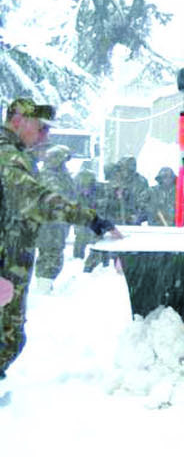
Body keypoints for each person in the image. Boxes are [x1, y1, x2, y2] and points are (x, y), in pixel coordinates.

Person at [0, 98, 120, 379]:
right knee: (8, 338)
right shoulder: (8, 157)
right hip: (5, 263)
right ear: (18, 121)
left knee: (9, 338)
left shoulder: (13, 155)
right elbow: (39, 200)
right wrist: (92, 220)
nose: (45, 136)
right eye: (41, 128)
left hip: (9, 259)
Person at [31, 145, 76, 290]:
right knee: (51, 254)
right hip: (50, 224)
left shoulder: (59, 175)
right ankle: (44, 288)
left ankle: (45, 284)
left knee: (51, 253)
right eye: (63, 160)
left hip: (57, 223)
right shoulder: (49, 176)